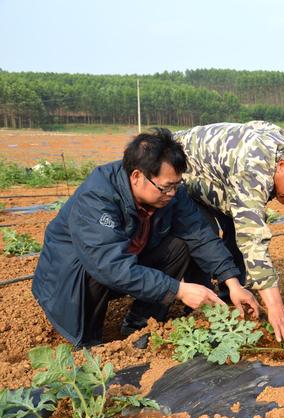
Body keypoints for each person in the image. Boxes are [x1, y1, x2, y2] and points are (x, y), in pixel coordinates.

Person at [32, 128, 259, 347]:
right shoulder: (98, 196)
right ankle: (89, 340)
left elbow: (199, 234)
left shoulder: (170, 194)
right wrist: (178, 290)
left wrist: (232, 283)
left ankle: (141, 324)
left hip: (125, 260)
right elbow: (109, 266)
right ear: (137, 176)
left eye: (176, 185)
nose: (172, 194)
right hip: (70, 278)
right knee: (95, 267)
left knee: (180, 245)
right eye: (165, 187)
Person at [175, 121, 284, 349]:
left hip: (224, 179)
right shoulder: (255, 165)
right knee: (203, 236)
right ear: (281, 165)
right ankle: (201, 310)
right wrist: (276, 306)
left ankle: (232, 295)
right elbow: (252, 237)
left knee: (236, 231)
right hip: (188, 169)